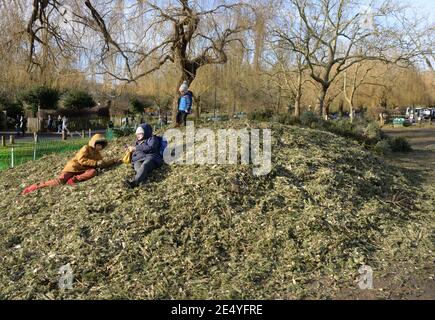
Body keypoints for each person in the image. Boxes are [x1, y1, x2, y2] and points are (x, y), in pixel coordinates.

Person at [22, 134, 120, 195]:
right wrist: (95, 163)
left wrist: (113, 161)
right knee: (59, 181)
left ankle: (72, 181)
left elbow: (102, 164)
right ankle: (34, 187)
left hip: (83, 171)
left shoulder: (98, 154)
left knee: (93, 172)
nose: (99, 147)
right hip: (73, 168)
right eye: (98, 145)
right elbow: (81, 160)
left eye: (101, 146)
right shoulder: (85, 148)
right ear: (93, 143)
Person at [124, 123, 163, 189]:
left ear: (146, 132)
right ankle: (144, 183)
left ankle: (134, 182)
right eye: (137, 134)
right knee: (139, 169)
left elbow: (151, 148)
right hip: (138, 160)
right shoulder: (137, 142)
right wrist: (130, 151)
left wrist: (136, 148)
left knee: (144, 166)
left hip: (151, 158)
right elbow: (135, 153)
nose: (138, 136)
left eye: (140, 133)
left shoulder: (152, 139)